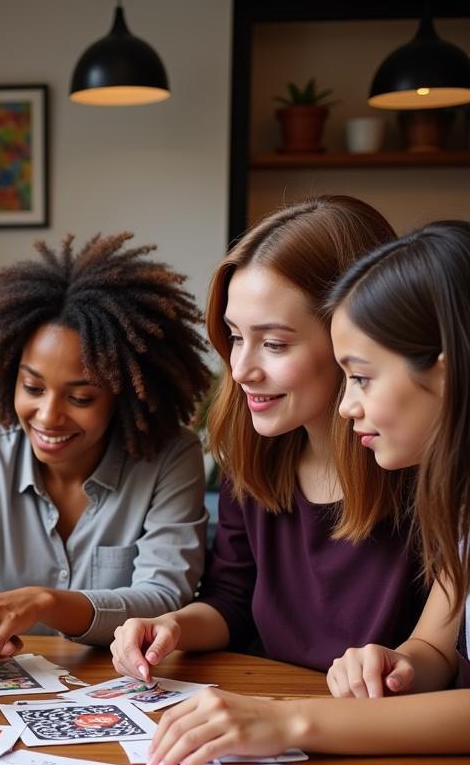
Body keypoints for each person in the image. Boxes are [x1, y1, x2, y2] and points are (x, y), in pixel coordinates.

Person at [145, 220, 470, 765]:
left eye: (360, 376)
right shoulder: (460, 499)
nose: (241, 369)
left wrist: (288, 721)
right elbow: (434, 650)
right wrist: (398, 663)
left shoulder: (430, 482)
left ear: (442, 374)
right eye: (234, 337)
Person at [111, 196, 425, 682]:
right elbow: (232, 602)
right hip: (275, 717)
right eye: (235, 337)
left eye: (275, 344)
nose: (240, 370)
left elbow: (436, 658)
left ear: (355, 339)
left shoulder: (426, 470)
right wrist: (169, 626)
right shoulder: (255, 454)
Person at [0, 232, 211, 672]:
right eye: (32, 387)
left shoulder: (170, 459)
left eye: (80, 398)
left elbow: (163, 596)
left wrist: (44, 603)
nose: (48, 416)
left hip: (125, 682)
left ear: (126, 396)